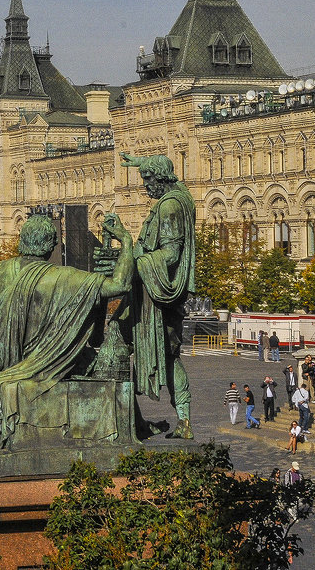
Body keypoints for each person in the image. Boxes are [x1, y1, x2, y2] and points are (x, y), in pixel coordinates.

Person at [0, 214, 135, 449]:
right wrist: (127, 243)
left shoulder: (3, 270)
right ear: (51, 246)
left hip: (9, 364)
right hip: (51, 363)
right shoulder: (65, 277)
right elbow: (120, 285)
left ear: (23, 241)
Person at [119, 153, 197, 439]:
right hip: (158, 293)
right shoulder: (182, 196)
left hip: (158, 293)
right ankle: (183, 421)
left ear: (160, 178)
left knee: (115, 346)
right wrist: (139, 162)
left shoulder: (169, 207)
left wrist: (129, 255)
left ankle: (130, 422)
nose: (145, 185)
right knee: (170, 358)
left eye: (147, 179)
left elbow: (170, 253)